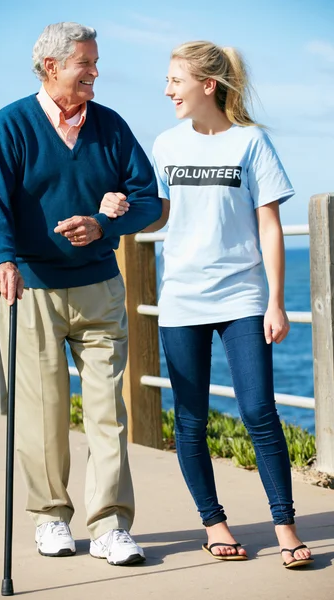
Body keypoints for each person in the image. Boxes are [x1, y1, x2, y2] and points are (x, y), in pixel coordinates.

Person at [99, 40, 314, 568]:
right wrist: (124, 208)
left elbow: (269, 224)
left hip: (243, 296)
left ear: (207, 85)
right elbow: (160, 217)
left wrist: (277, 302)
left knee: (260, 411)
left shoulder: (252, 144)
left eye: (175, 80)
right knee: (191, 420)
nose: (167, 89)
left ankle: (284, 526)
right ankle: (214, 523)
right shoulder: (167, 143)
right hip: (182, 300)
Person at [0, 21, 161, 566]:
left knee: (108, 412)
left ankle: (110, 526)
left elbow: (149, 200)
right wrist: (4, 259)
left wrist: (106, 226)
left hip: (100, 287)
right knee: (43, 412)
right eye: (87, 64)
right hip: (32, 288)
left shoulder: (110, 126)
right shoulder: (11, 125)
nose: (96, 73)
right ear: (53, 66)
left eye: (96, 63)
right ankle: (52, 518)